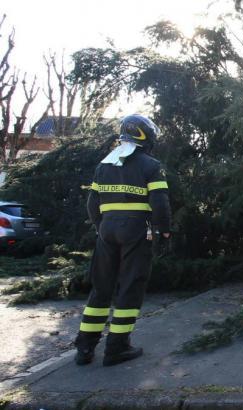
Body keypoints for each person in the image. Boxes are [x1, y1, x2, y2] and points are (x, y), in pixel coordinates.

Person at [74, 114, 171, 367]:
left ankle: (85, 347)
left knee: (101, 287)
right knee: (130, 286)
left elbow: (92, 203)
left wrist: (100, 227)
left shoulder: (104, 165)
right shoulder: (151, 165)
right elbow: (160, 202)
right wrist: (164, 231)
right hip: (136, 231)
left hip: (106, 231)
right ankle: (117, 347)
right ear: (147, 137)